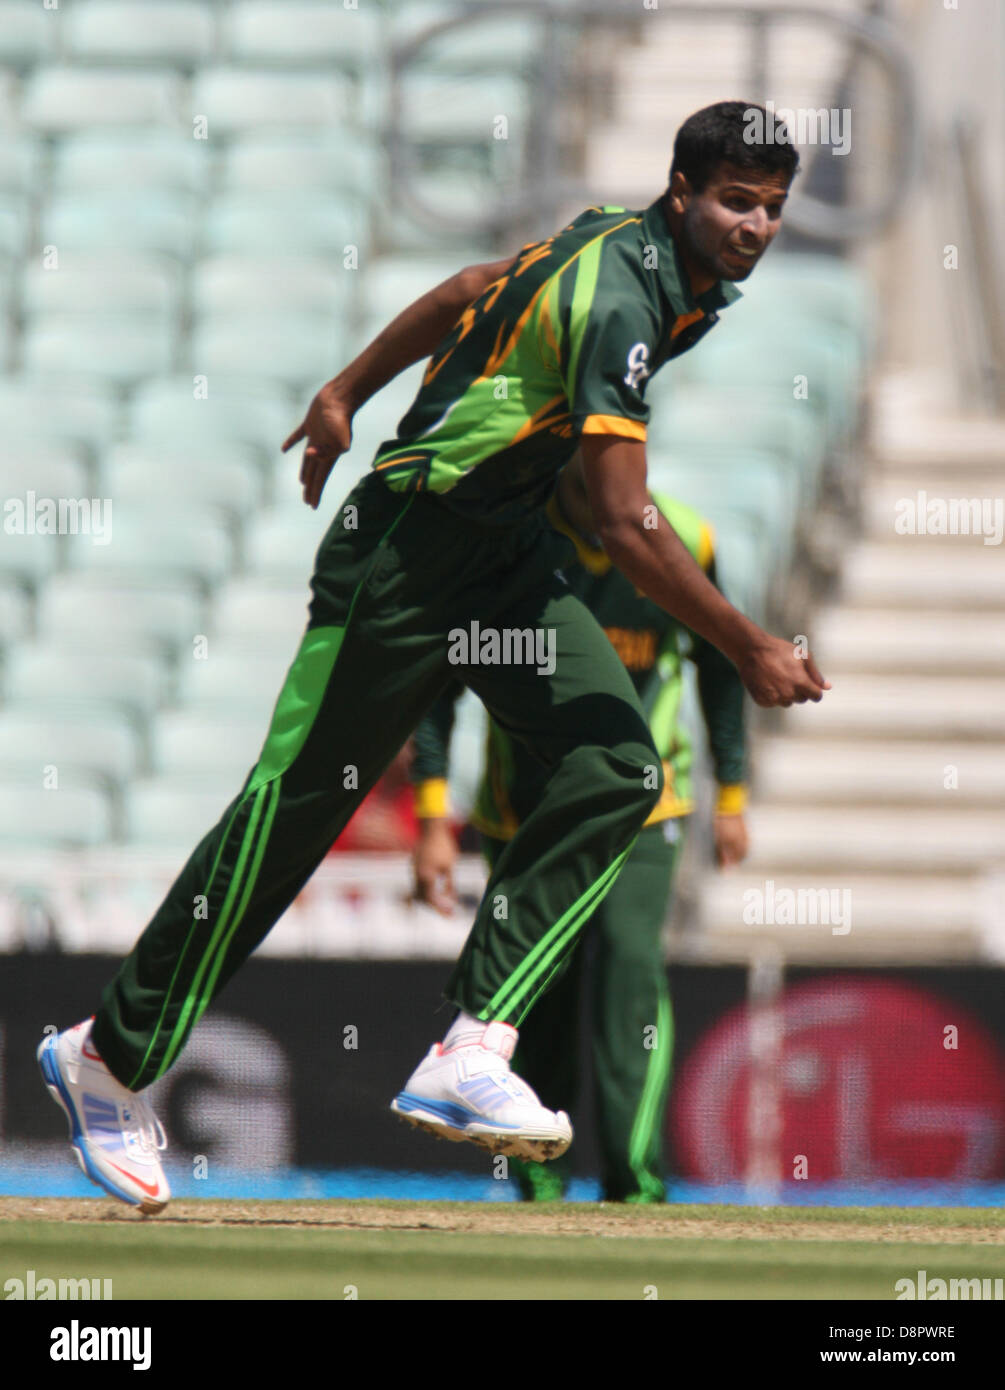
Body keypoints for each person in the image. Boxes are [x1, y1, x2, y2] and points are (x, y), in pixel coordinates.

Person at [38, 102, 827, 1215]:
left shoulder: (628, 248)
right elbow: (619, 517)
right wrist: (747, 643)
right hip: (407, 550)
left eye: (773, 208)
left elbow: (467, 288)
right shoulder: (623, 293)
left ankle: (473, 1043)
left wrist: (345, 391)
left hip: (499, 557)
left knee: (621, 768)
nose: (755, 225)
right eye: (736, 201)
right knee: (294, 813)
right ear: (684, 191)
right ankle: (104, 1058)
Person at [412, 464, 750, 1202]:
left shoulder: (685, 537)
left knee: (630, 975)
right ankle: (538, 1176)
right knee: (536, 996)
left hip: (644, 813)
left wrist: (732, 793)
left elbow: (720, 662)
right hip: (522, 815)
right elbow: (443, 679)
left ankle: (635, 1182)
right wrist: (433, 816)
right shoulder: (517, 541)